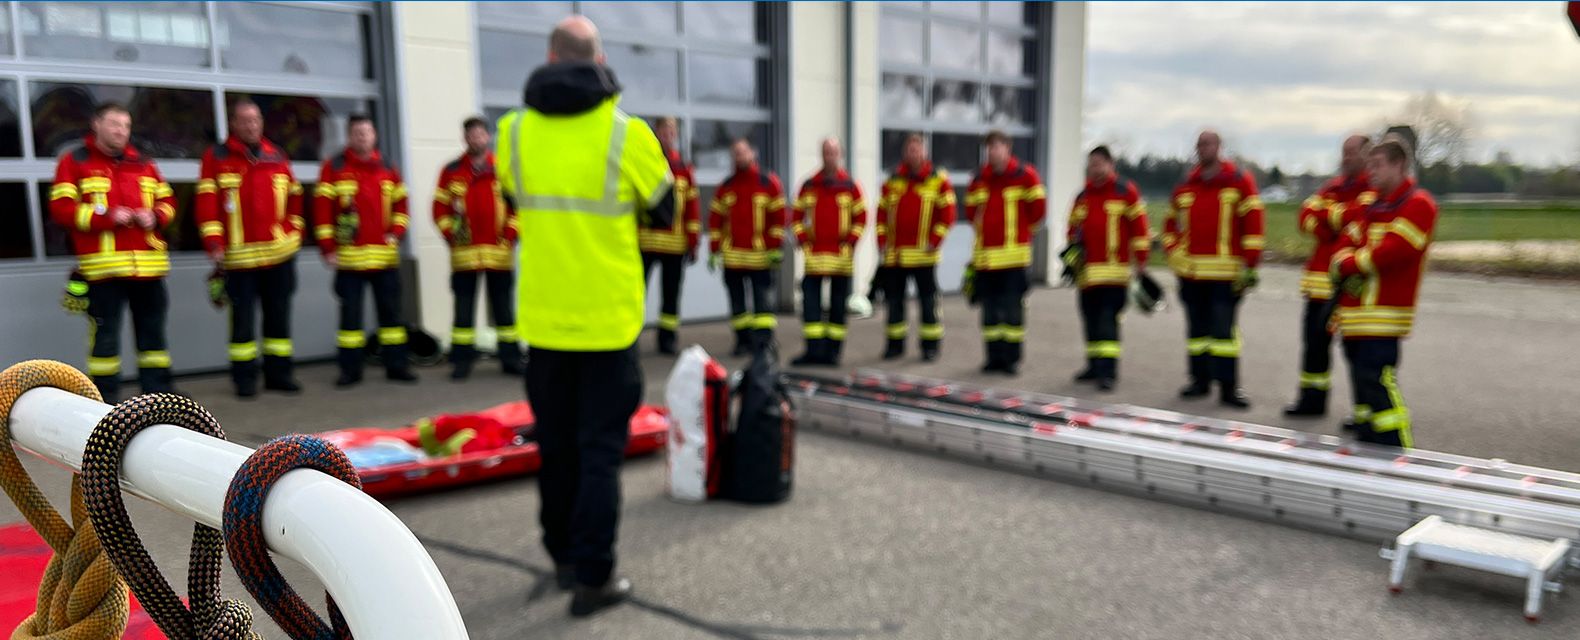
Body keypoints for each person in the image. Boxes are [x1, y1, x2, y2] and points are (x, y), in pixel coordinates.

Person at [494, 15, 675, 617]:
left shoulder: (512, 133)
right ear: (599, 59)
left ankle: (563, 558)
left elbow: (512, 198)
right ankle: (593, 579)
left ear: (550, 57)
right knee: (599, 454)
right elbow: (665, 209)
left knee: (558, 448)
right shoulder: (629, 135)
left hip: (544, 325)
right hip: (609, 324)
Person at [49, 102, 177, 402]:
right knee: (104, 339)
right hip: (103, 272)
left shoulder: (144, 163)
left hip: (148, 269)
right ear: (96, 124)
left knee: (154, 338)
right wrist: (104, 217)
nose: (121, 131)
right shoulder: (75, 161)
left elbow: (169, 201)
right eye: (114, 123)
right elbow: (61, 209)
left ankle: (158, 395)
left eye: (126, 125)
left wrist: (155, 216)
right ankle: (103, 400)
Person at [1330, 135, 1436, 448]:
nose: (1369, 171)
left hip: (1383, 316)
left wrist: (1353, 262)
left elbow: (1393, 252)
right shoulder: (1371, 205)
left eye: (1377, 165)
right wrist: (1350, 261)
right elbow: (1341, 247)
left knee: (1377, 382)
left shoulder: (1419, 205)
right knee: (1361, 387)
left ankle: (1397, 446)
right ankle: (1368, 438)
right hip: (1354, 315)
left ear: (1399, 164)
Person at [196, 99, 305, 398]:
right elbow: (207, 204)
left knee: (278, 318)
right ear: (233, 123)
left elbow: (295, 197)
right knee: (242, 323)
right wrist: (214, 242)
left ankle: (279, 375)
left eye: (256, 120)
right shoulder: (216, 157)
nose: (251, 125)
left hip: (279, 255)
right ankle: (244, 381)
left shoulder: (276, 155)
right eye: (245, 120)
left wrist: (293, 230)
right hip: (239, 258)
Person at [312, 114, 418, 387]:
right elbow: (322, 211)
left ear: (374, 136)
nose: (363, 137)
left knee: (392, 319)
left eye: (367, 133)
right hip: (349, 262)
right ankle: (350, 371)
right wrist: (327, 247)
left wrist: (396, 233)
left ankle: (397, 366)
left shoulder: (387, 167)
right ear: (350, 136)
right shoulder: (333, 167)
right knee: (350, 321)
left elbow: (402, 206)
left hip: (384, 259)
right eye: (357, 133)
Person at [1164, 130, 1264, 408]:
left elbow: (1254, 223)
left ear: (1219, 147)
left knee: (1224, 334)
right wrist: (1173, 253)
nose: (1202, 149)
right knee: (1197, 332)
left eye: (1207, 144)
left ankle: (1229, 388)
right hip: (1192, 274)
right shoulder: (1187, 184)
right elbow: (1170, 224)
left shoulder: (1238, 181)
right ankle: (1199, 381)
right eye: (1199, 145)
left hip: (1226, 275)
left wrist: (1250, 263)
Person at [1284, 135, 1374, 416]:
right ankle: (1311, 401)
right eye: (1343, 153)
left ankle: (1363, 411)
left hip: (1349, 287)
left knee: (1357, 353)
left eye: (1351, 153)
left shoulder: (1372, 189)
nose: (1345, 158)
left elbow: (1360, 218)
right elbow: (1305, 217)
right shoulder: (1333, 187)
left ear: (1367, 156)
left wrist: (1329, 218)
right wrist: (1333, 222)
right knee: (1314, 346)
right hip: (1318, 286)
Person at [433, 116, 521, 380]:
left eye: (480, 134)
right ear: (465, 138)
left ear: (488, 137)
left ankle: (511, 359)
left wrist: (510, 235)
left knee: (504, 311)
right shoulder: (451, 170)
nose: (476, 139)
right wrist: (451, 234)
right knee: (463, 312)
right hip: (465, 255)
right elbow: (440, 209)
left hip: (499, 253)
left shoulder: (503, 169)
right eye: (471, 135)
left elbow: (518, 208)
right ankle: (461, 362)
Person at [1066, 145, 1149, 391]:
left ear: (1110, 164)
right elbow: (1072, 229)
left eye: (1099, 163)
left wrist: (1141, 260)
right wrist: (1072, 256)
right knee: (1089, 320)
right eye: (1091, 164)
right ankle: (1093, 366)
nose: (1094, 168)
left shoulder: (1126, 192)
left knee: (1107, 322)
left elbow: (1139, 229)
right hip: (1087, 274)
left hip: (1114, 273)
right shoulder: (1082, 196)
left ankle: (1108, 372)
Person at [965, 130, 1046, 375]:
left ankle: (1012, 359)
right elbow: (971, 212)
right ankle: (993, 357)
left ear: (1007, 148)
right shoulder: (979, 178)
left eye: (996, 146)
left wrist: (1021, 234)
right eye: (989, 147)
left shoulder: (1025, 175)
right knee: (989, 313)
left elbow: (1038, 211)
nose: (992, 151)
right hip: (987, 260)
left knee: (1012, 313)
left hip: (1014, 259)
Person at [877, 133, 956, 362]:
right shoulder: (892, 181)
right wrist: (882, 242)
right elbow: (881, 214)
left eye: (917, 149)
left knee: (928, 303)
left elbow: (948, 215)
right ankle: (895, 345)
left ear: (924, 152)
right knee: (894, 303)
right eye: (909, 149)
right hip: (896, 257)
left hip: (924, 256)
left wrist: (935, 240)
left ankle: (930, 347)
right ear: (904, 152)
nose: (913, 153)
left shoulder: (937, 180)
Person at [790, 137, 867, 367]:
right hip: (814, 259)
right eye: (825, 152)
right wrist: (803, 240)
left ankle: (832, 354)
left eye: (833, 152)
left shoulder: (850, 186)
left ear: (840, 154)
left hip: (840, 259)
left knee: (837, 309)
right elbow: (795, 216)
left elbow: (861, 217)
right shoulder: (809, 185)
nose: (829, 156)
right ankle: (813, 352)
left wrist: (850, 242)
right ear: (821, 155)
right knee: (811, 307)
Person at [707, 138, 786, 356]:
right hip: (733, 257)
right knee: (738, 305)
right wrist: (714, 250)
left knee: (763, 304)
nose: (739, 157)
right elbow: (715, 219)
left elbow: (778, 218)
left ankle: (764, 343)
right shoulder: (726, 186)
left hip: (760, 257)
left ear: (752, 153)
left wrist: (775, 247)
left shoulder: (768, 183)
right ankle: (743, 342)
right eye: (736, 153)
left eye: (743, 152)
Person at [639, 116, 701, 355]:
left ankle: (667, 340)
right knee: (637, 293)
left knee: (671, 296)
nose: (666, 136)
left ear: (675, 135)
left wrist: (693, 241)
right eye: (663, 132)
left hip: (675, 245)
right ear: (656, 133)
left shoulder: (683, 169)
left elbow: (692, 206)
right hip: (645, 242)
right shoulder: (647, 163)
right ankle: (631, 337)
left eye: (670, 132)